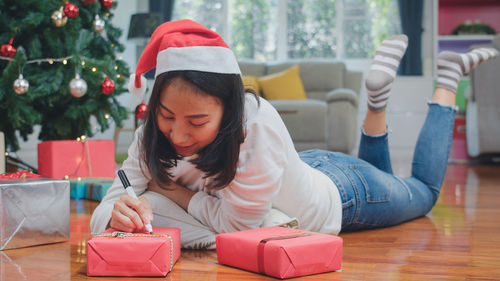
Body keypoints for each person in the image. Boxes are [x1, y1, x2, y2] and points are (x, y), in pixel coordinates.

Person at [90, 19, 498, 249]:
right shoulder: (151, 136)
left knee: (424, 192)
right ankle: (376, 102)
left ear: (229, 110)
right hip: (305, 167)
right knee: (389, 178)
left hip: (345, 197)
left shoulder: (256, 125)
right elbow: (105, 212)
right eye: (165, 115)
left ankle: (447, 81)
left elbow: (236, 230)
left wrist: (170, 194)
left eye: (197, 122)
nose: (177, 133)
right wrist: (116, 214)